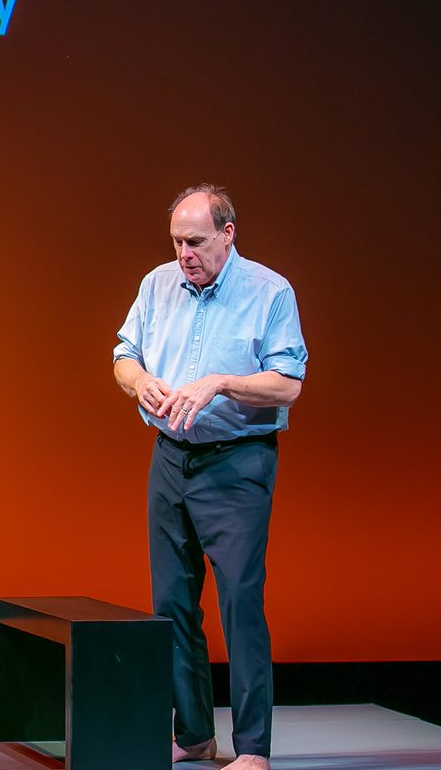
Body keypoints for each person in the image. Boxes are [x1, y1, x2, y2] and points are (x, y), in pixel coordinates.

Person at [113, 185, 307, 770]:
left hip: (237, 461)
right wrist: (138, 381)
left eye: (195, 241)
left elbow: (288, 383)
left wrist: (220, 381)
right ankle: (195, 734)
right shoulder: (156, 284)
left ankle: (252, 748)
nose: (183, 253)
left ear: (228, 235)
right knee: (171, 602)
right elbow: (123, 354)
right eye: (176, 241)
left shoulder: (269, 292)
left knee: (239, 602)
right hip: (171, 457)